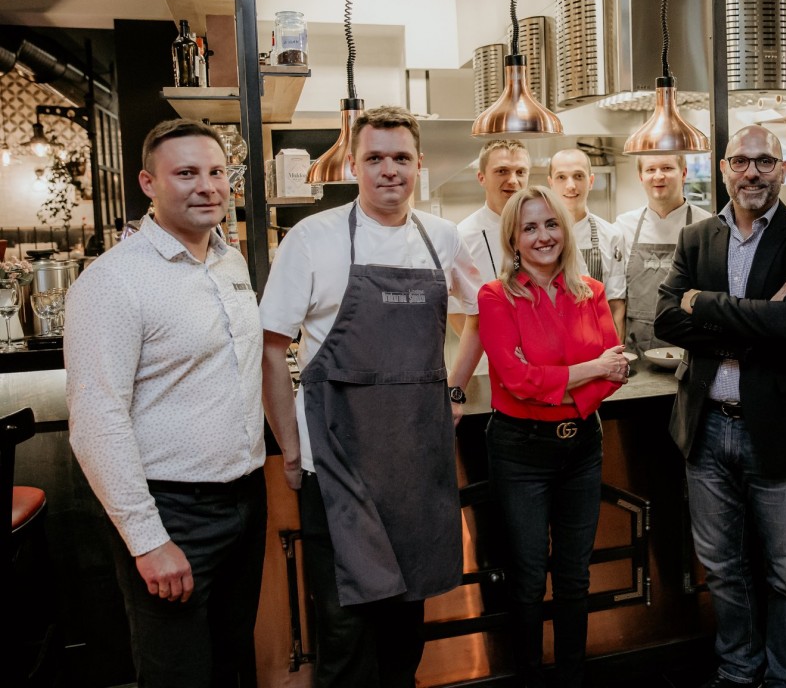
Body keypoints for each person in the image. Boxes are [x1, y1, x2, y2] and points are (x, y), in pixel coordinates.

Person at [259, 106, 484, 687]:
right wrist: (291, 451)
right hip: (337, 465)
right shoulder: (313, 238)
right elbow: (271, 347)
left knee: (405, 631)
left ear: (419, 164)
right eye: (375, 158)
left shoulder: (441, 237)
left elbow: (484, 312)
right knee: (345, 635)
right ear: (353, 165)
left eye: (401, 158)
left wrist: (455, 388)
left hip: (414, 466)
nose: (389, 170)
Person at [65, 119, 266, 687]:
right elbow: (96, 420)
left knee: (232, 664)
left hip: (245, 500)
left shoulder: (229, 261)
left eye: (216, 172)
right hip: (172, 509)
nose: (207, 186)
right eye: (186, 173)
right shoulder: (113, 281)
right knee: (177, 672)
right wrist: (149, 540)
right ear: (148, 183)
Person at [655, 124, 786, 688]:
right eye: (740, 161)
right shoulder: (696, 238)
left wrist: (705, 305)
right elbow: (665, 319)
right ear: (724, 168)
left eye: (764, 162)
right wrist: (758, 320)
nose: (751, 173)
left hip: (778, 429)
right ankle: (739, 670)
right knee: (722, 567)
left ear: (782, 170)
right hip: (707, 427)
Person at [477, 185, 627, 688]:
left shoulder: (591, 291)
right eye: (529, 227)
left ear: (565, 230)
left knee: (573, 577)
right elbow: (515, 380)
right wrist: (589, 369)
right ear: (513, 240)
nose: (543, 236)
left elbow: (616, 372)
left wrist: (558, 385)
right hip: (520, 451)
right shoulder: (495, 297)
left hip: (582, 446)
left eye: (551, 224)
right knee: (526, 578)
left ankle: (570, 679)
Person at [614, 153, 711, 356]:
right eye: (650, 169)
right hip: (636, 348)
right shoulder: (623, 226)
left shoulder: (707, 225)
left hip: (688, 349)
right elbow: (616, 296)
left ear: (683, 173)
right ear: (641, 177)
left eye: (667, 168)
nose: (658, 176)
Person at [449, 139, 531, 336]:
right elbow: (455, 311)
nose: (513, 180)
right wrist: (490, 348)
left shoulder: (546, 230)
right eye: (502, 171)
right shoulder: (462, 236)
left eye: (520, 172)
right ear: (481, 177)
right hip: (488, 351)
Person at [548, 147, 627, 339]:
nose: (571, 186)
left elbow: (616, 305)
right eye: (561, 177)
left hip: (597, 344)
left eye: (578, 176)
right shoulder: (537, 237)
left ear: (591, 181)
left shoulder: (611, 235)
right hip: (549, 342)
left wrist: (615, 351)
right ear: (550, 183)